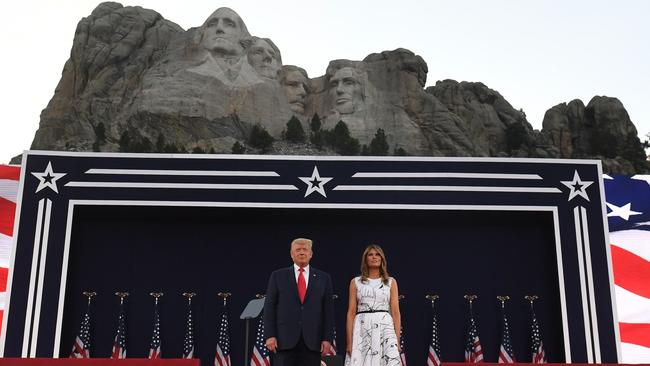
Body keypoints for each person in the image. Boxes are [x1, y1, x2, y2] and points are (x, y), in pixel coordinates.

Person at [264, 238, 335, 366]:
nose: (302, 253)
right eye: (298, 250)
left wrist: (327, 338)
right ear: (291, 254)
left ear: (311, 254)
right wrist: (270, 335)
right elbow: (269, 308)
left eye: (305, 250)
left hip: (313, 342)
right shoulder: (277, 276)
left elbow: (328, 312)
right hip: (283, 340)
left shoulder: (324, 278)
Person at [345, 245, 402, 366]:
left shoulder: (391, 282)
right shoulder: (355, 282)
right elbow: (351, 312)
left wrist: (396, 339)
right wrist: (349, 342)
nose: (374, 257)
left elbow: (396, 312)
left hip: (385, 327)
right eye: (370, 254)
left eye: (377, 254)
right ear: (365, 259)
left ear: (382, 259)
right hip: (362, 328)